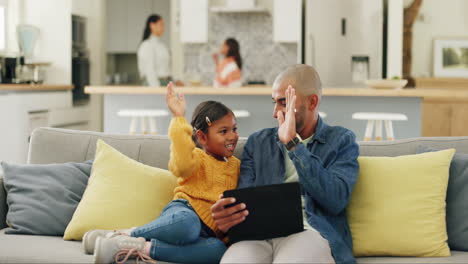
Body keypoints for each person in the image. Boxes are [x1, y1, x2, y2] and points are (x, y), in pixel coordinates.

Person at [210, 64, 360, 264]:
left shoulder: (341, 140)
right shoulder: (258, 143)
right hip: (258, 237)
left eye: (283, 103)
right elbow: (245, 202)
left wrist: (293, 143)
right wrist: (227, 220)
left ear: (312, 102)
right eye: (275, 102)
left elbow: (335, 200)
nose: (275, 113)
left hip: (310, 233)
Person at [84, 82, 241, 264]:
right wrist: (178, 117)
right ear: (202, 137)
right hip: (184, 214)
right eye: (224, 131)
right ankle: (125, 233)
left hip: (209, 234)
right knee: (188, 225)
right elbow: (180, 164)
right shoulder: (195, 157)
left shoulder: (236, 165)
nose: (232, 136)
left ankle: (134, 246)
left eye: (234, 129)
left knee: (218, 250)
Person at [137, 14, 183, 87]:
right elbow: (150, 71)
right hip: (154, 84)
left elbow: (167, 68)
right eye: (161, 25)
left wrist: (176, 80)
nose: (163, 28)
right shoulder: (146, 45)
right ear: (152, 25)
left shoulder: (162, 46)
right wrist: (157, 90)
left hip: (166, 84)